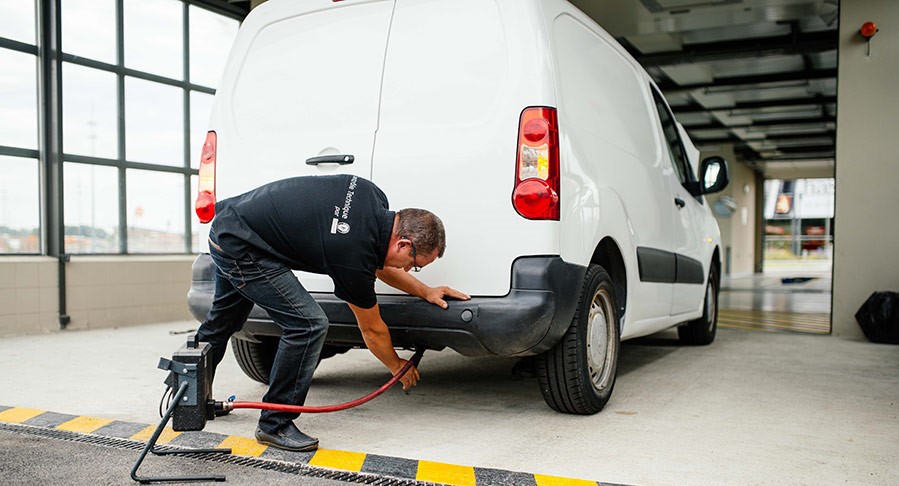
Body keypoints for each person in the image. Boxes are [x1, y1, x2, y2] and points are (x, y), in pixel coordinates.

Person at [195, 174, 469, 452]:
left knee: (224, 320)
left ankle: (188, 400)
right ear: (403, 245)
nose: (409, 270)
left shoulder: (372, 196)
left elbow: (376, 262)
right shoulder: (352, 253)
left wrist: (426, 291)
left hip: (231, 225)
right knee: (308, 325)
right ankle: (274, 423)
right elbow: (372, 330)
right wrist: (396, 365)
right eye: (415, 265)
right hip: (242, 247)